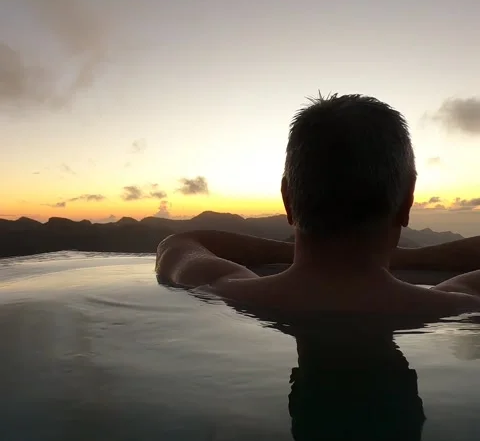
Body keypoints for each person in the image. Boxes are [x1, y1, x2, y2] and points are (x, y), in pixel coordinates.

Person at [156, 93, 480, 315]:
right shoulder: (461, 304)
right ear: (407, 202)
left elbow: (179, 242)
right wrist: (403, 259)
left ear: (288, 199)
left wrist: (311, 254)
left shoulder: (223, 289)